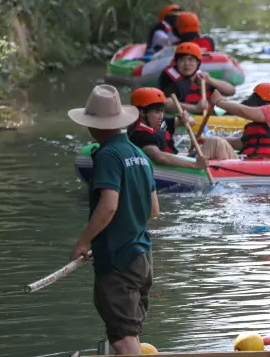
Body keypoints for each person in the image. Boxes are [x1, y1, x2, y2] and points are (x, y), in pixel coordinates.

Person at [68, 84, 158, 356]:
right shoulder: (140, 155)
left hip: (118, 259)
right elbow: (153, 209)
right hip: (141, 255)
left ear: (94, 125)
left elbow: (108, 206)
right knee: (130, 330)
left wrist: (83, 241)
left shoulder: (107, 155)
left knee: (123, 338)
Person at [208, 83, 270, 159]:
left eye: (255, 101)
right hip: (252, 162)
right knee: (214, 142)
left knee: (214, 142)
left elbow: (244, 111)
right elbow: (241, 143)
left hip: (268, 164)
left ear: (267, 103)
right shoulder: (268, 122)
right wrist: (204, 140)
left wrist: (219, 102)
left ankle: (196, 166)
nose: (252, 105)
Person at [128, 87, 205, 169]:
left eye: (162, 111)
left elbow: (191, 122)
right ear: (142, 112)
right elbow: (159, 157)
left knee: (215, 143)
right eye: (157, 112)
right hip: (175, 165)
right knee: (216, 144)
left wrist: (184, 118)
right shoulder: (139, 134)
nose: (161, 116)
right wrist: (194, 165)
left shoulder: (159, 122)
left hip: (179, 156)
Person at [158, 42, 235, 114]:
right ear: (176, 62)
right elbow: (166, 103)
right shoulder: (169, 77)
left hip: (209, 116)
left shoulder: (202, 77)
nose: (187, 64)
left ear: (197, 63)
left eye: (191, 60)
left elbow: (231, 91)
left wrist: (210, 80)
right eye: (182, 60)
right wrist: (195, 108)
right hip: (186, 117)